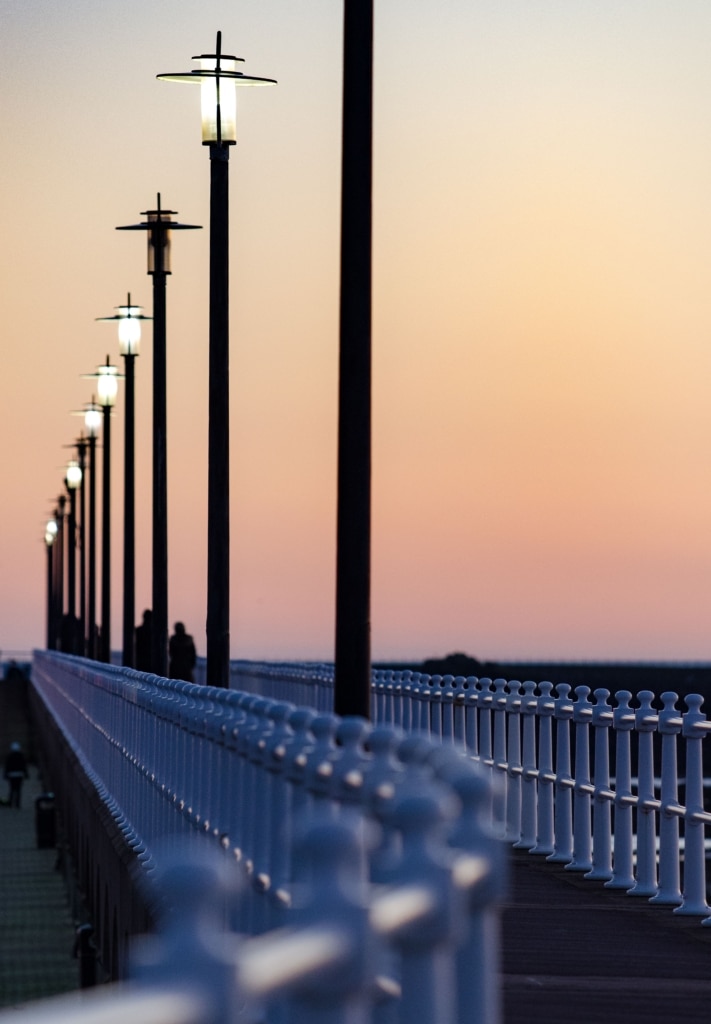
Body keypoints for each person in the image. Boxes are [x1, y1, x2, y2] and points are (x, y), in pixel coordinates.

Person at [4, 742, 29, 809]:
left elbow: (7, 766)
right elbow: (24, 766)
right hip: (19, 775)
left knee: (12, 790)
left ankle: (10, 803)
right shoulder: (21, 756)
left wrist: (5, 775)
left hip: (11, 775)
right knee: (18, 790)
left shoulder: (10, 756)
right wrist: (26, 774)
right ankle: (17, 804)